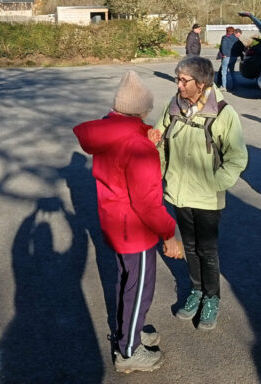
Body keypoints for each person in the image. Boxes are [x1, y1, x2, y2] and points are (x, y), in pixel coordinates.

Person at [74, 70, 183, 374]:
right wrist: (169, 233)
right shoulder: (136, 144)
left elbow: (123, 157)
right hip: (135, 229)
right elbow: (147, 201)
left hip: (115, 221)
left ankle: (129, 331)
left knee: (127, 282)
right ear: (141, 109)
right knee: (139, 289)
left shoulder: (110, 130)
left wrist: (145, 136)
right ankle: (129, 351)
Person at [152, 56, 248, 330]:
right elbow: (158, 141)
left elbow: (237, 157)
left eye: (184, 80)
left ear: (202, 83)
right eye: (177, 79)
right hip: (178, 193)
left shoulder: (223, 113)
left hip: (207, 197)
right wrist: (158, 170)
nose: (178, 85)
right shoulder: (172, 107)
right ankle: (196, 290)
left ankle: (212, 297)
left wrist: (215, 183)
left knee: (207, 249)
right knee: (189, 246)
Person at [217, 27, 237, 92]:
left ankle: (224, 87)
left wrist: (224, 54)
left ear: (227, 31)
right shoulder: (236, 38)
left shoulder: (225, 38)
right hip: (233, 57)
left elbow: (223, 47)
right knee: (232, 71)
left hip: (227, 56)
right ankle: (234, 85)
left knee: (224, 72)